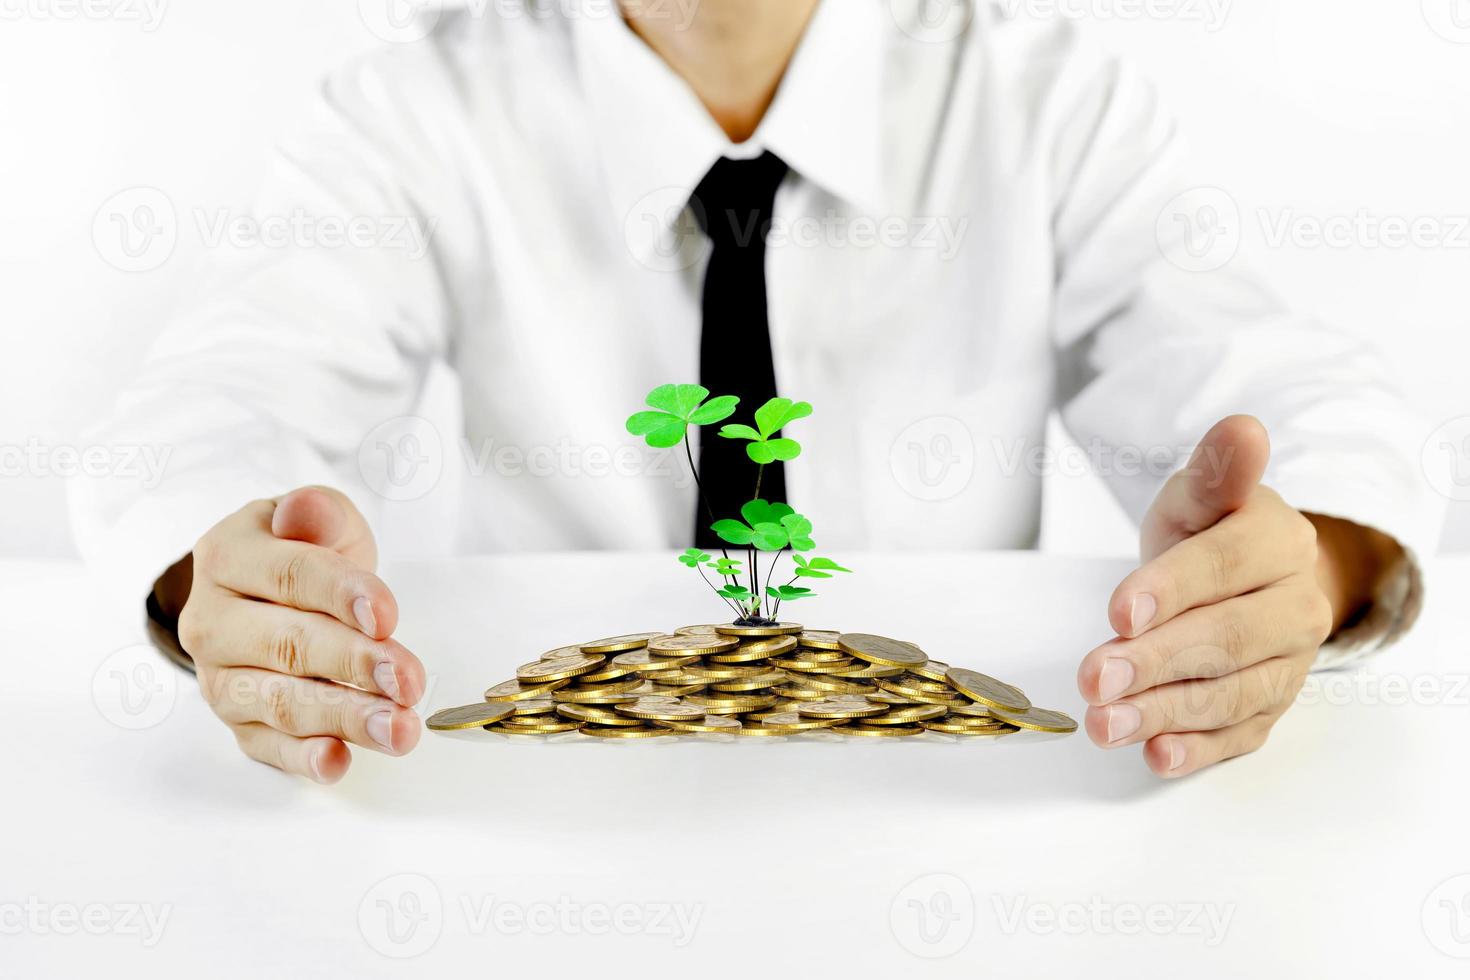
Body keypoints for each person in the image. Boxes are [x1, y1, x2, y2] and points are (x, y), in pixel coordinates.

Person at [72, 0, 1437, 783]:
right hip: (554, 826)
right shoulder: (417, 109)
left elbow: (1305, 398)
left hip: (950, 824)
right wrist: (230, 579)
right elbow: (200, 412)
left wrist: (1309, 556)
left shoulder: (1043, 98)